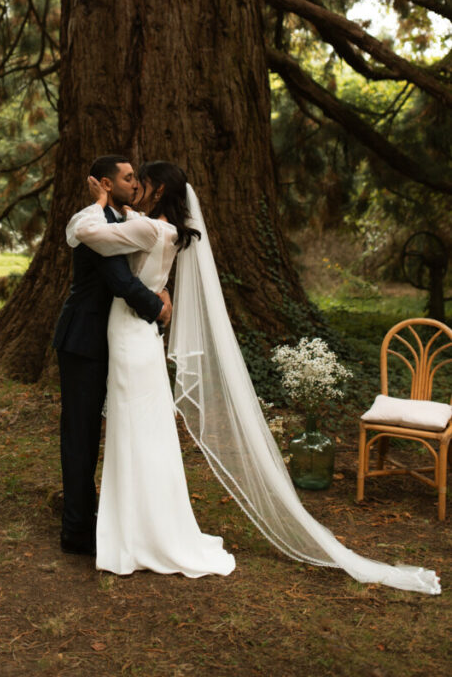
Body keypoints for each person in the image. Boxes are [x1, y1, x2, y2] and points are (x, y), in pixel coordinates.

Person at [66, 161, 441, 594]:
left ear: (159, 189)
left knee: (136, 431)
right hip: (139, 336)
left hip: (132, 335)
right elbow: (115, 229)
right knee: (144, 432)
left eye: (142, 182)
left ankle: (138, 534)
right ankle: (140, 526)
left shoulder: (153, 230)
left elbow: (87, 233)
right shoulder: (155, 227)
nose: (136, 189)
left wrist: (97, 200)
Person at [53, 155, 172, 556]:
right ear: (106, 183)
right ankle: (77, 532)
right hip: (83, 340)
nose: (136, 183)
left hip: (115, 340)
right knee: (81, 434)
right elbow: (119, 280)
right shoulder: (96, 225)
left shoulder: (125, 222)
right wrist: (157, 309)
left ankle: (116, 517)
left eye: (137, 177)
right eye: (128, 177)